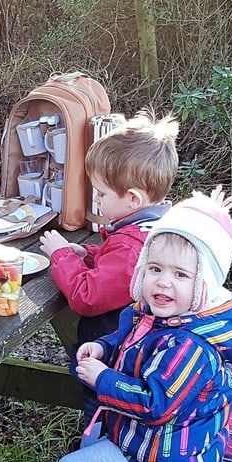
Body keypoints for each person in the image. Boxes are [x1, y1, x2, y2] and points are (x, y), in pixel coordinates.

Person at [23, 188, 232, 462]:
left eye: (180, 274)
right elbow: (126, 341)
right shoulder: (154, 313)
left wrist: (103, 379)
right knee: (90, 439)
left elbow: (154, 404)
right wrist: (102, 348)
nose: (163, 282)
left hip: (167, 457)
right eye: (155, 269)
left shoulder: (189, 346)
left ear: (203, 285)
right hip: (147, 436)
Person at [39, 110, 179, 424]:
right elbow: (115, 268)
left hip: (116, 356)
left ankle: (98, 448)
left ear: (132, 198)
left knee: (101, 411)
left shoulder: (132, 244)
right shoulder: (148, 229)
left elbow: (88, 296)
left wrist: (62, 255)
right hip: (125, 345)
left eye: (101, 194)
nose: (97, 200)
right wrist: (86, 253)